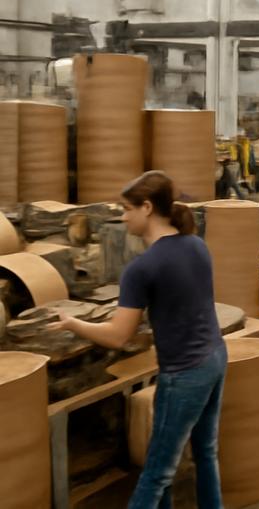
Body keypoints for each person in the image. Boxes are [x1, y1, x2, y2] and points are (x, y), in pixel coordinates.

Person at [50, 171, 227, 509]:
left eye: (127, 208)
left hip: (184, 373)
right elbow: (185, 305)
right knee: (205, 452)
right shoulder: (197, 245)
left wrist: (74, 324)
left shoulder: (142, 268)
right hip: (215, 357)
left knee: (157, 473)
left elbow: (118, 336)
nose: (123, 216)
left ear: (147, 208)